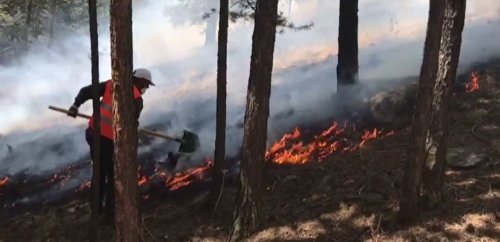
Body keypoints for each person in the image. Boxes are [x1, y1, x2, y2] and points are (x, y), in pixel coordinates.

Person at [67, 68, 155, 220]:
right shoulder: (136, 99)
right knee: (113, 175)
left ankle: (95, 210)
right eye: (146, 84)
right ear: (139, 80)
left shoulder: (112, 84)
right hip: (108, 141)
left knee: (99, 172)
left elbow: (86, 91)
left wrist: (75, 105)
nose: (145, 88)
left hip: (93, 134)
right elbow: (130, 125)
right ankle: (109, 214)